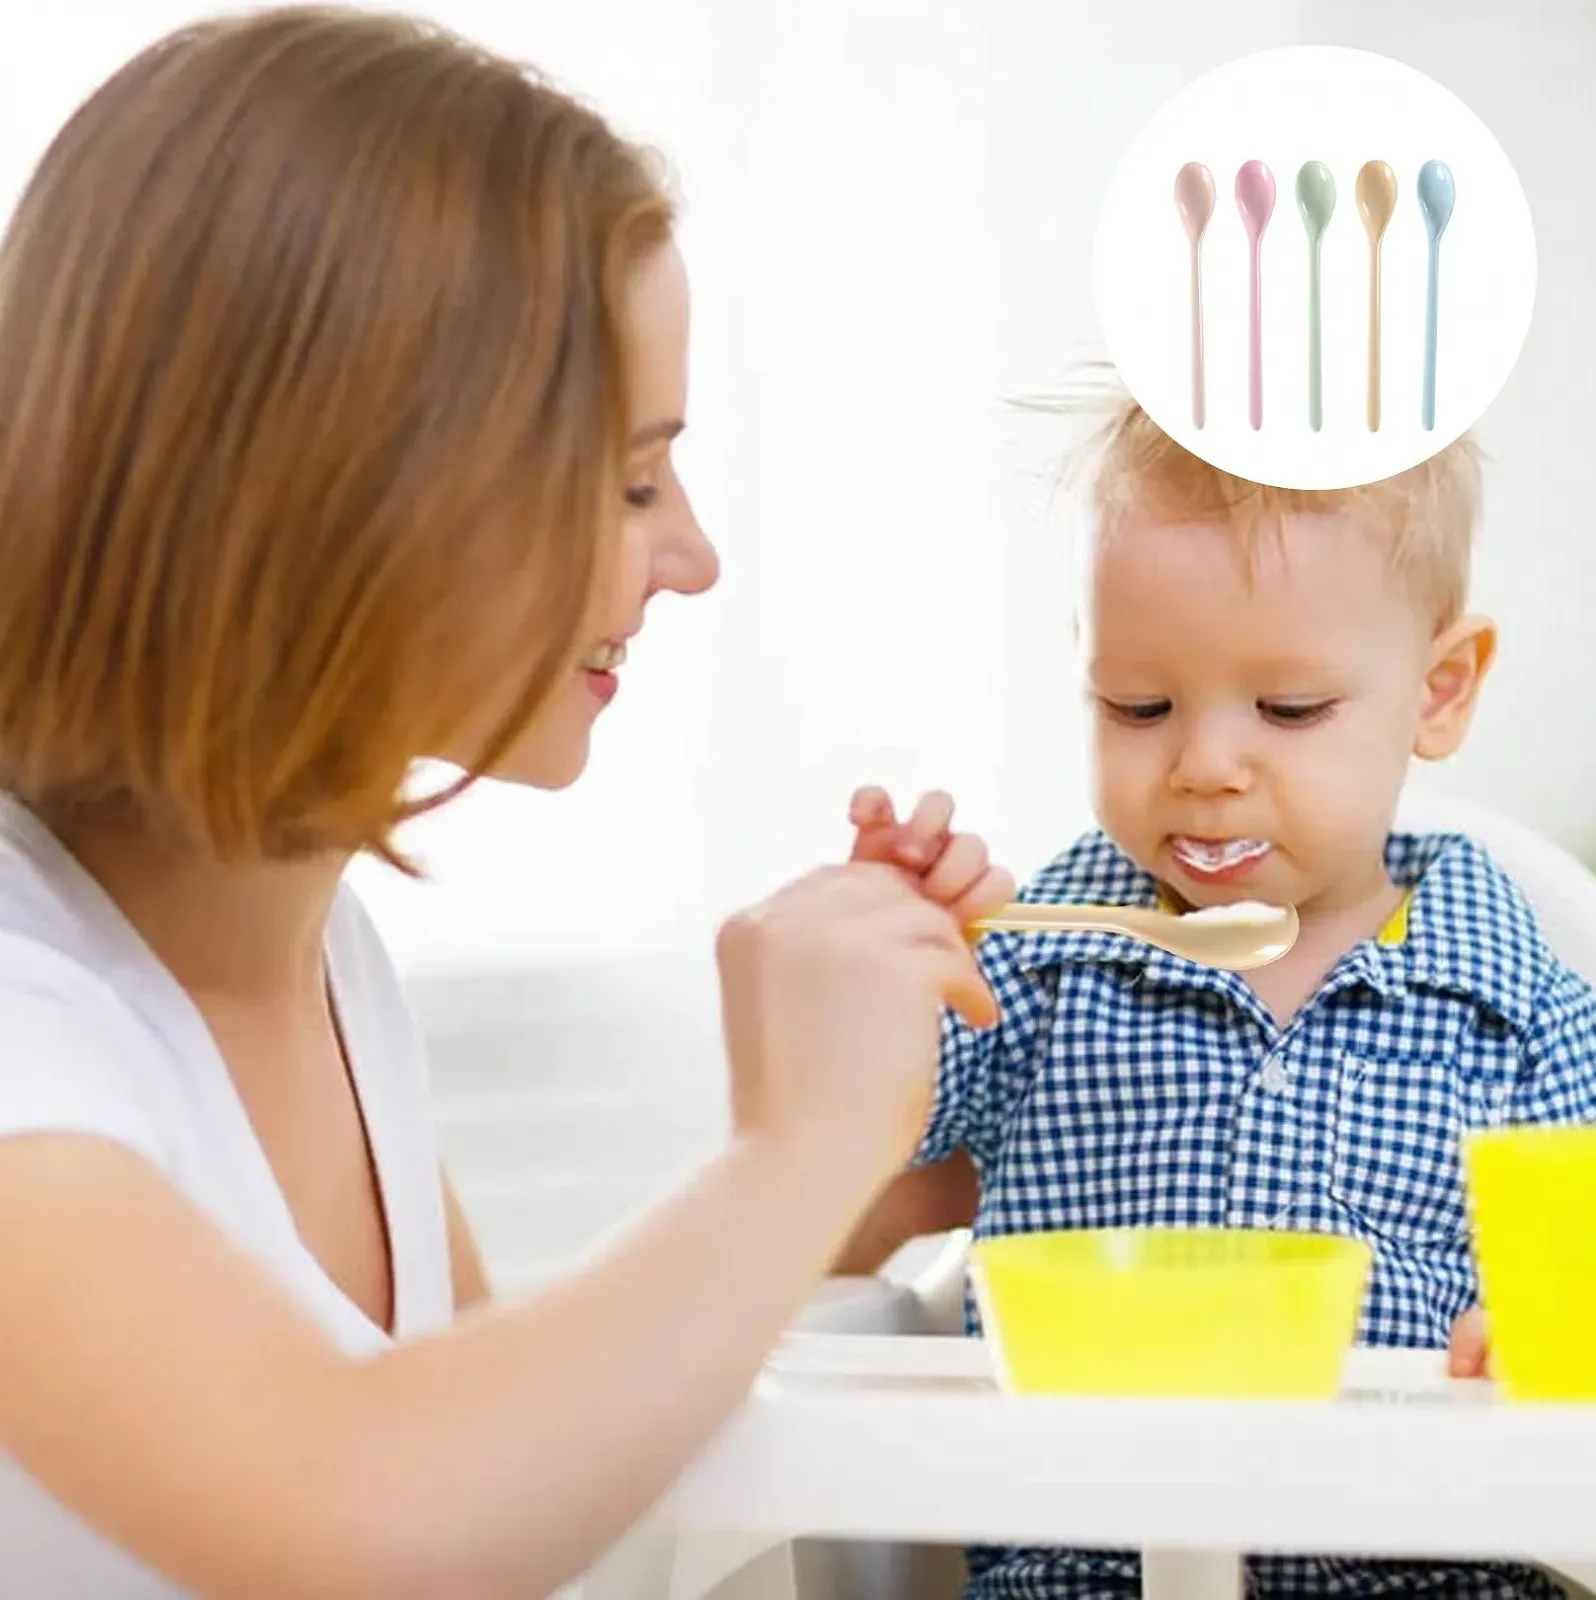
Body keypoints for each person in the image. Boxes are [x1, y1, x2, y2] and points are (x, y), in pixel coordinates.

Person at [0, 9, 1015, 1595]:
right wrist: (788, 1151)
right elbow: (365, 1513)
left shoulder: (322, 956)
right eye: (628, 481)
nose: (689, 556)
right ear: (349, 489)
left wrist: (864, 1186)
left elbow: (502, 1495)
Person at [845, 401, 1596, 1599]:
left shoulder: (1526, 1017)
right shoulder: (1030, 970)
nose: (1201, 765)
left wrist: (1566, 1344)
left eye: (1289, 710)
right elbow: (836, 1147)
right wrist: (884, 960)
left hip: (1423, 1579)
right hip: (1077, 1578)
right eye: (1138, 707)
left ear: (1438, 690)